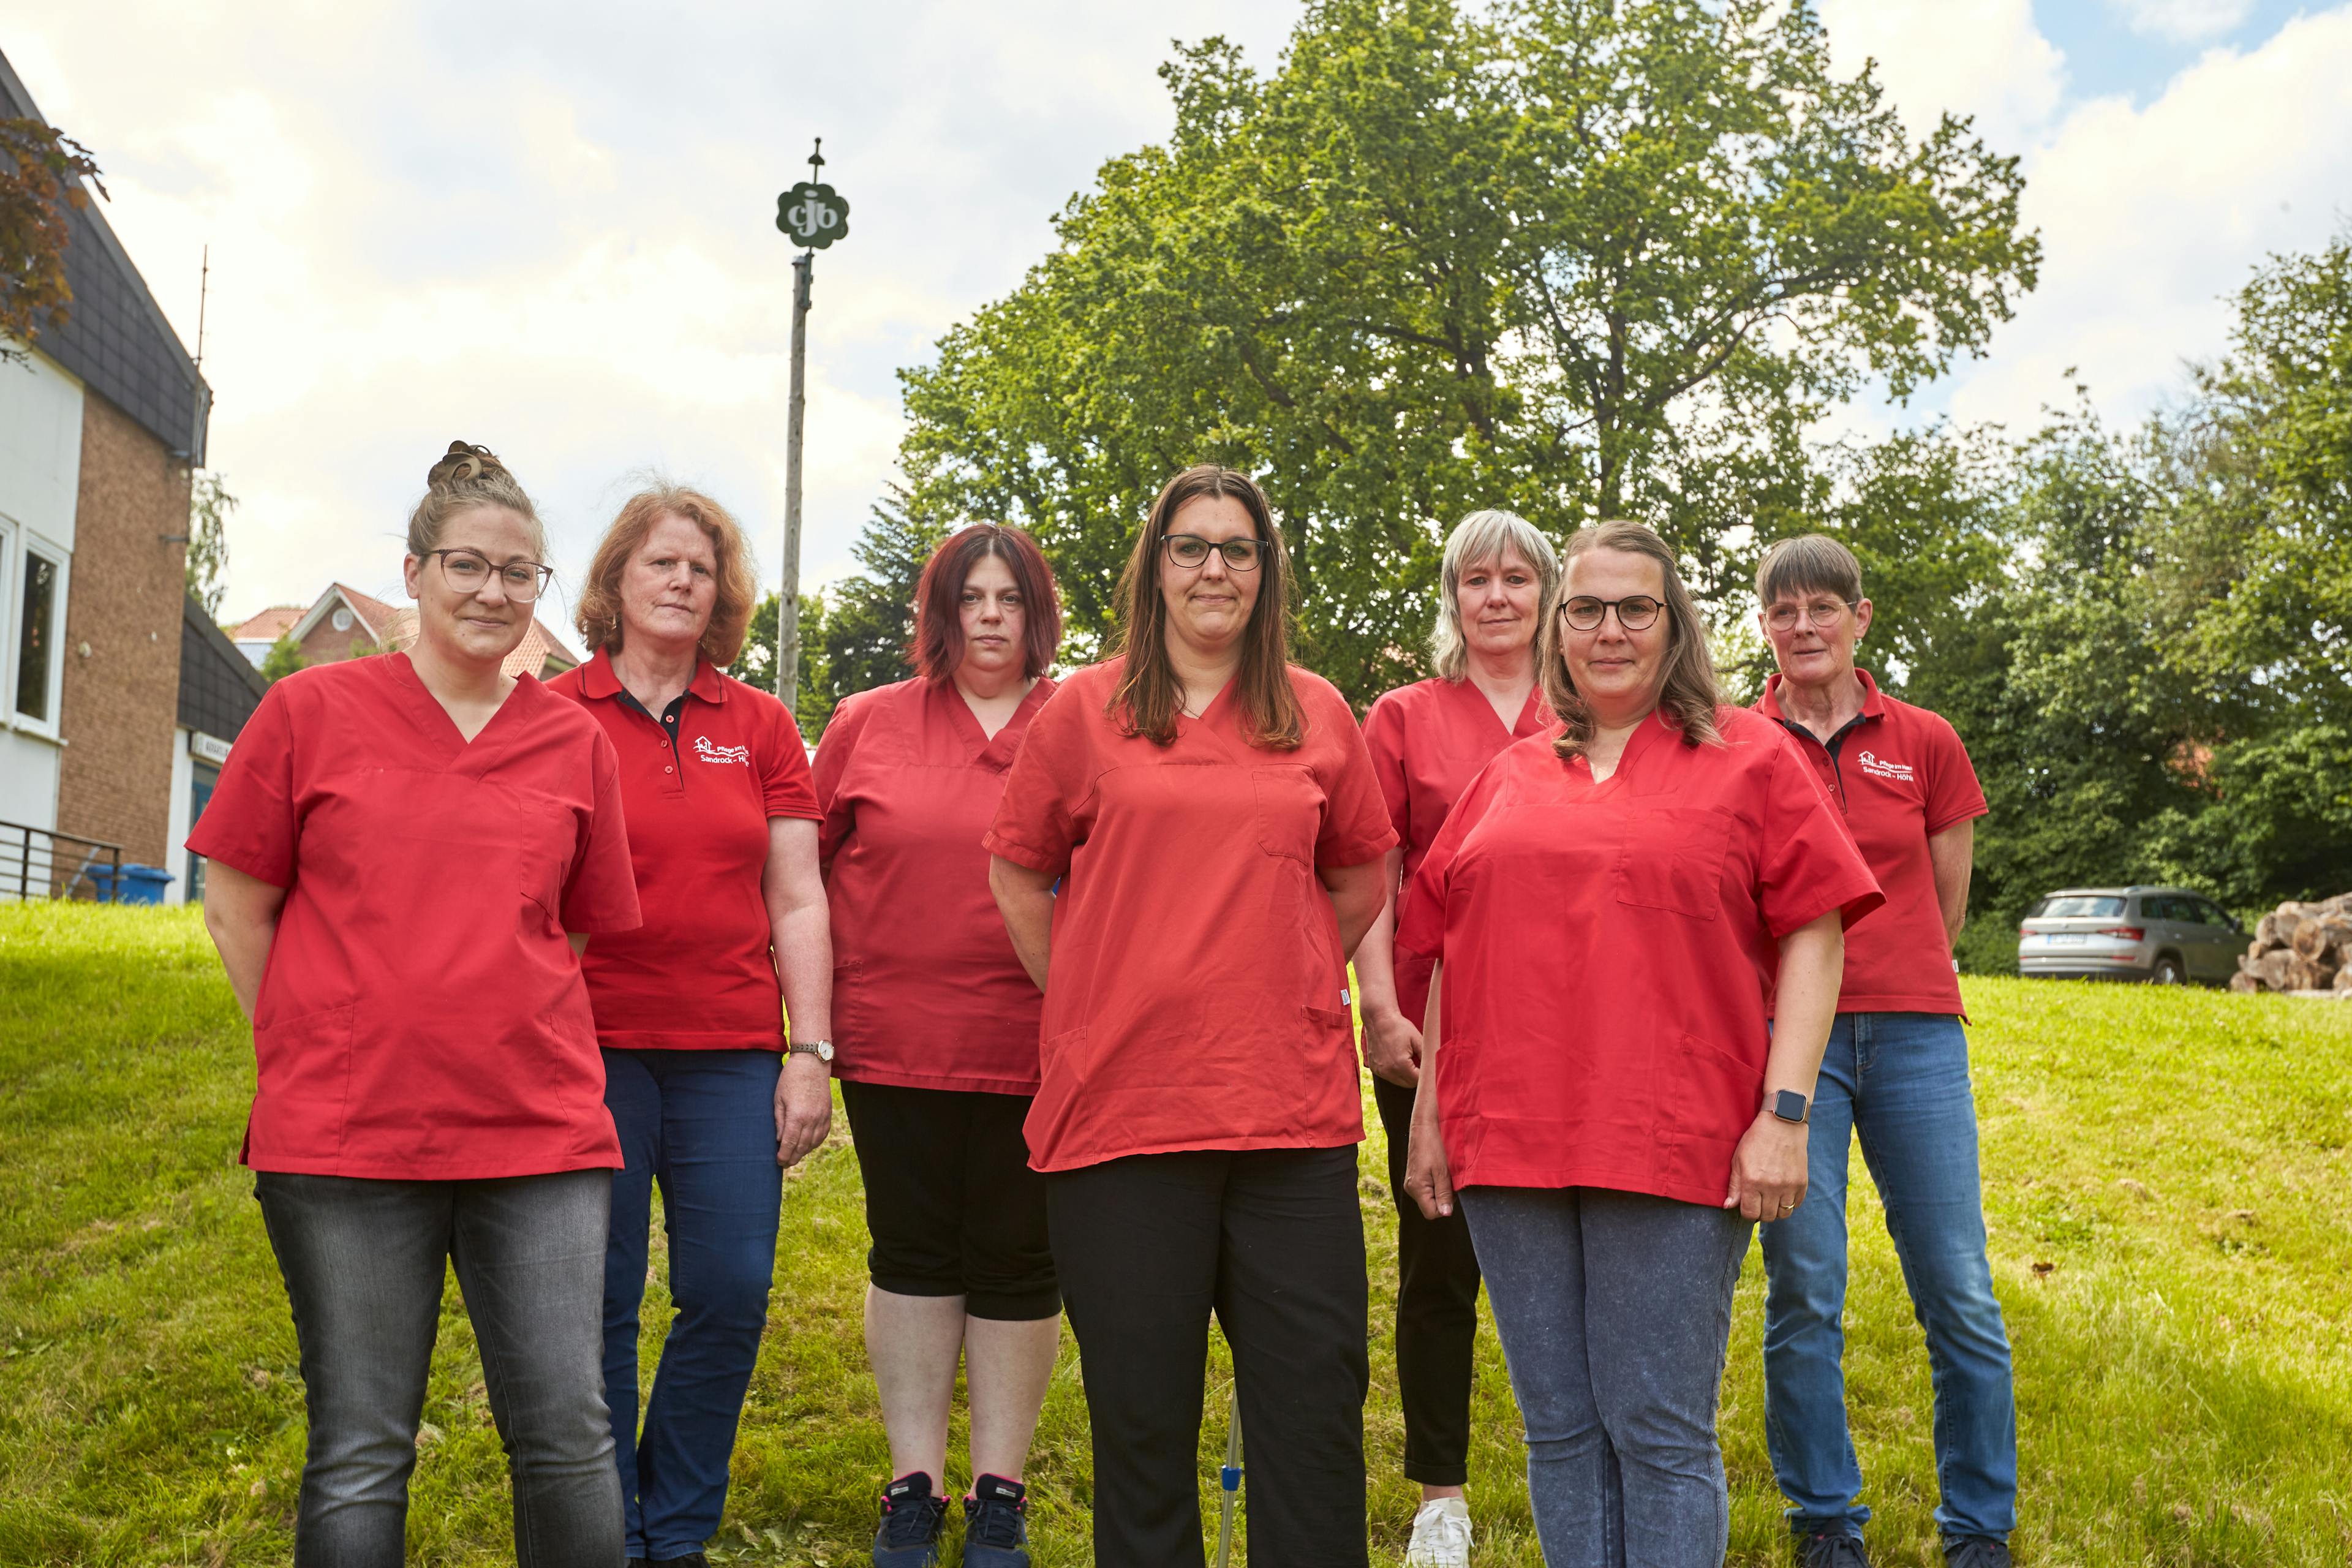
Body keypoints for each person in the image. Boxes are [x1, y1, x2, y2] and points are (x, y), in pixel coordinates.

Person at [189, 442, 639, 1568]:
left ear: (542, 591)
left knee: (569, 1436)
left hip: (535, 1133)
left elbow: (569, 930)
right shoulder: (308, 712)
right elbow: (239, 905)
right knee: (360, 1445)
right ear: (416, 572)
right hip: (345, 1138)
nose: (494, 592)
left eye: (520, 573)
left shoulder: (573, 741)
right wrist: (314, 1037)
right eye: (468, 566)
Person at [1400, 519, 1882, 1568]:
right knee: (1560, 1431)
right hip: (1508, 1142)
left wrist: (1786, 1115)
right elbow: (1443, 947)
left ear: (1675, 627)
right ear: (1557, 629)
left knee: (1658, 1432)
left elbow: (1815, 933)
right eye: (1585, 609)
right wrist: (1431, 1115)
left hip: (1673, 1139)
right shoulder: (1511, 773)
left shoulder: (1751, 758)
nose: (1608, 630)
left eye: (1635, 608)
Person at [986, 465, 1397, 1568]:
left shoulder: (1315, 712)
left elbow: (1361, 874)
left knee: (1312, 1428)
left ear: (1266, 573)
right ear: (1155, 566)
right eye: (1191, 546)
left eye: (1239, 548)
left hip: (1288, 1123)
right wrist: (1086, 991)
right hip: (1122, 1116)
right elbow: (1020, 873)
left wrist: (1293, 974)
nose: (1215, 567)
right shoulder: (1086, 709)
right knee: (1142, 1428)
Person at [547, 486, 834, 1568]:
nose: (679, 581)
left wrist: (809, 1051)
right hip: (587, 1050)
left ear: (723, 597)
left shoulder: (759, 724)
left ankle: (676, 1530)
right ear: (615, 580)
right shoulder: (552, 712)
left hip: (727, 1054)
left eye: (700, 570)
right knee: (602, 1301)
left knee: (728, 1290)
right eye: (659, 563)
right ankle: (608, 1527)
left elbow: (799, 898)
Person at [1747, 535, 2015, 1568]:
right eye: (1784, 611)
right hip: (1786, 1046)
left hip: (1914, 1036)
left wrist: (1899, 976)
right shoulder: (1737, 738)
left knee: (1959, 1287)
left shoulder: (1927, 739)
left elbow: (1946, 897)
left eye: (1823, 608)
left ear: (1862, 618)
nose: (1804, 627)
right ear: (1764, 626)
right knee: (1804, 1286)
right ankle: (1825, 1520)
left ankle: (1979, 1529)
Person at [813, 524, 1066, 1568]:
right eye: (973, 598)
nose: (993, 616)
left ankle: (997, 1494)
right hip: (896, 1042)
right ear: (942, 612)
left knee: (1018, 1260)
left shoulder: (1084, 719)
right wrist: (808, 1035)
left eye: (1011, 597)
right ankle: (912, 1486)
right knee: (912, 1252)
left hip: (1043, 1042)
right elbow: (800, 879)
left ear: (1038, 611)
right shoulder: (866, 723)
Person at [1354, 509, 1559, 1567]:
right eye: (1476, 579)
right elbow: (1370, 872)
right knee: (1440, 1260)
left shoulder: (1587, 711)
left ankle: (1579, 1462)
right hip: (1433, 1030)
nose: (1496, 597)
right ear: (1453, 596)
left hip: (1569, 1025)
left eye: (1516, 578)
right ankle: (1442, 1497)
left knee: (1566, 1253)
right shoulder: (1402, 717)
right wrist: (1379, 1005)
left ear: (1547, 594)